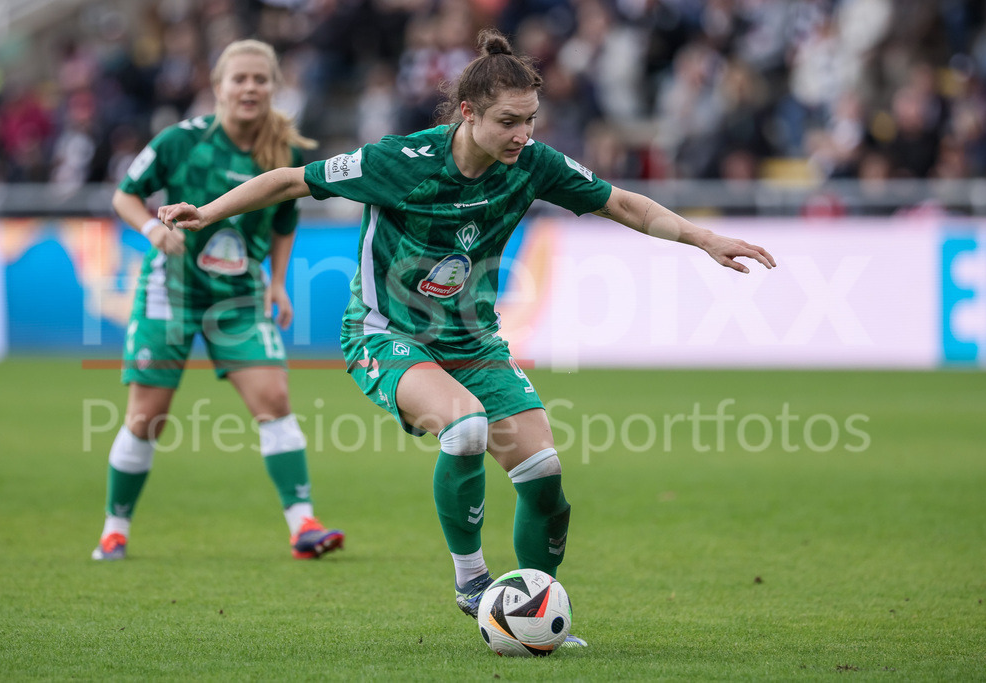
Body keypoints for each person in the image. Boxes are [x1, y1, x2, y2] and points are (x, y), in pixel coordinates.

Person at [157, 29, 775, 643]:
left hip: (474, 341)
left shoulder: (532, 164)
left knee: (544, 477)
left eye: (531, 120)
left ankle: (528, 617)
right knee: (467, 427)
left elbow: (626, 205)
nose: (523, 136)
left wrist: (706, 238)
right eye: (510, 122)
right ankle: (472, 581)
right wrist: (207, 212)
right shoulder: (400, 161)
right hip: (386, 331)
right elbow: (291, 180)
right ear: (469, 112)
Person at [92, 39, 344, 562]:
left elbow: (283, 221)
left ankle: (304, 526)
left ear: (274, 88)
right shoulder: (179, 142)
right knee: (146, 418)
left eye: (260, 79)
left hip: (240, 301)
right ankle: (114, 530)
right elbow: (124, 194)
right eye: (240, 79)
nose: (250, 88)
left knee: (274, 400)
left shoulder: (286, 152)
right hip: (171, 293)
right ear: (218, 87)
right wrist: (149, 230)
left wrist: (277, 281)